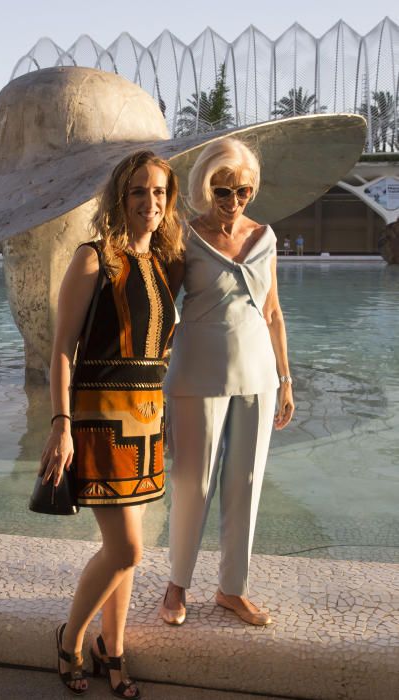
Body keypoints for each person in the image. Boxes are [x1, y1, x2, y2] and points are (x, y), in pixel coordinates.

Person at [39, 150, 182, 696]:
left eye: (160, 193)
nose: (150, 203)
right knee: (127, 549)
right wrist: (60, 422)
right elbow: (61, 351)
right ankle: (71, 639)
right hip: (100, 421)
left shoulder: (160, 264)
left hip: (147, 422)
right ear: (120, 197)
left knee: (128, 547)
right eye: (139, 192)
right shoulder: (94, 258)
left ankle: (113, 647)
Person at [160, 137, 294, 628]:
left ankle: (231, 590)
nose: (233, 202)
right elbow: (159, 307)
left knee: (247, 483)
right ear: (204, 187)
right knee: (192, 483)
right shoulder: (183, 237)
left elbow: (274, 311)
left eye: (242, 191)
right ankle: (176, 586)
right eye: (223, 191)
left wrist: (285, 377)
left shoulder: (266, 237)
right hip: (196, 375)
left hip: (259, 375)